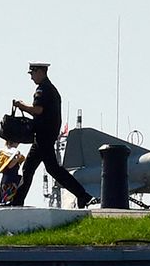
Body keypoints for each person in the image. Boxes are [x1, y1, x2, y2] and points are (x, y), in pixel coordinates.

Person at [9, 62, 94, 208]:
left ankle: (82, 194)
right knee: (43, 169)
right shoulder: (51, 89)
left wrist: (22, 106)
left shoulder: (43, 90)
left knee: (36, 169)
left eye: (33, 73)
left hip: (43, 136)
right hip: (46, 136)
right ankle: (82, 194)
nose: (32, 77)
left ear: (40, 72)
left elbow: (38, 110)